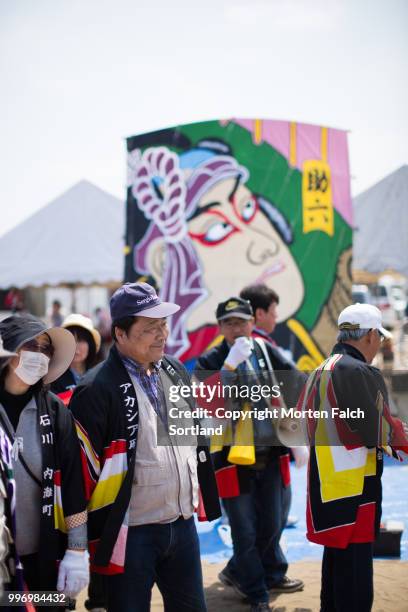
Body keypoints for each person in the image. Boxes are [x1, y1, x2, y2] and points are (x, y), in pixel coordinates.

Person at [69, 282, 221, 612]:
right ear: (120, 334)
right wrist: (76, 546)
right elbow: (78, 475)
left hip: (182, 525)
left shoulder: (175, 370)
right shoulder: (96, 389)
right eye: (149, 328)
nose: (161, 334)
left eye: (163, 325)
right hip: (132, 531)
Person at [194, 297, 305, 612]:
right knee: (244, 529)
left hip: (270, 454)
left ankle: (237, 572)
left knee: (273, 524)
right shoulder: (210, 359)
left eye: (241, 321)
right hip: (230, 461)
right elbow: (207, 403)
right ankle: (257, 593)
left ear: (252, 323)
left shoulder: (263, 351)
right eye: (229, 323)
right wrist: (228, 368)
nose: (236, 328)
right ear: (220, 328)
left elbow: (294, 378)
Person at [297, 303, 408, 612]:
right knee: (356, 585)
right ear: (370, 335)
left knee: (334, 576)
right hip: (357, 493)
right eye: (380, 338)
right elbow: (380, 430)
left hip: (327, 491)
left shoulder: (321, 369)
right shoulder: (361, 371)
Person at [0, 314, 89, 608]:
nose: (39, 356)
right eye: (31, 346)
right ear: (9, 351)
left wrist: (77, 551)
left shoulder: (54, 410)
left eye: (45, 349)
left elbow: (74, 484)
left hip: (43, 556)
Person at [51, 315, 103, 612]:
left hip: (99, 474)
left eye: (82, 338)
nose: (77, 346)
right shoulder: (49, 381)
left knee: (100, 536)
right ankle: (64, 598)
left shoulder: (102, 377)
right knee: (66, 538)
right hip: (65, 474)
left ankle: (99, 598)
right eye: (70, 338)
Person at [52, 314, 101, 400]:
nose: (75, 346)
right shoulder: (53, 378)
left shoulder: (100, 375)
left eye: (81, 340)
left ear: (91, 344)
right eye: (71, 340)